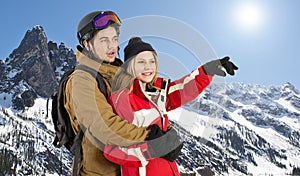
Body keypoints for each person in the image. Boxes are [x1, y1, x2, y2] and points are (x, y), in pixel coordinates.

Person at [64, 11, 182, 176]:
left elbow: (143, 108)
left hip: (132, 169)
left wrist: (165, 131)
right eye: (103, 40)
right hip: (101, 172)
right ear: (87, 43)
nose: (112, 46)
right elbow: (105, 127)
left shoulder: (121, 75)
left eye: (114, 39)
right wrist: (152, 138)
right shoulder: (81, 80)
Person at [103, 37, 238, 176]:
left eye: (152, 61)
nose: (148, 67)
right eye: (141, 62)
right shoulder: (122, 99)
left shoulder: (156, 93)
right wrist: (149, 149)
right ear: (129, 66)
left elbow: (183, 89)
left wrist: (207, 70)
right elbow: (111, 149)